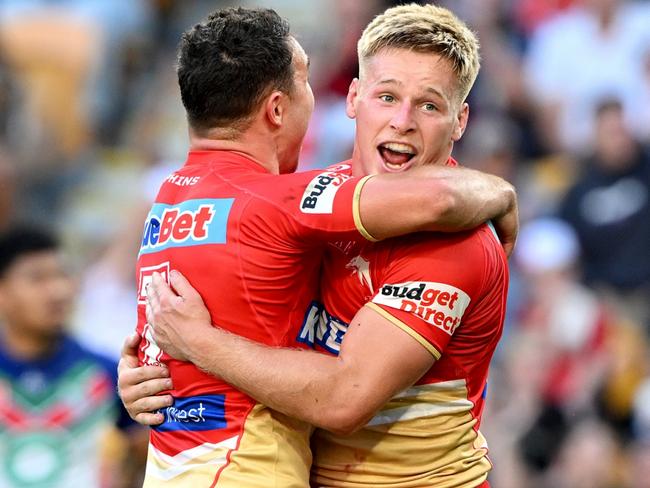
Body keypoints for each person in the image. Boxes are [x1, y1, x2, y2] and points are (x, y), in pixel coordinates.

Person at [122, 4, 511, 487]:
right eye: (387, 96)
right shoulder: (302, 203)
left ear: (460, 121)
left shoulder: (455, 244)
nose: (403, 121)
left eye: (430, 105)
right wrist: (152, 374)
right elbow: (208, 309)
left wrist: (198, 344)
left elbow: (345, 399)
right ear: (353, 98)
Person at [0, 225, 146, 488]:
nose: (58, 291)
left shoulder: (103, 373)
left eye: (62, 275)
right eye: (37, 279)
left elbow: (144, 446)